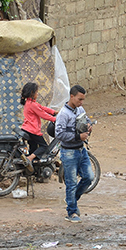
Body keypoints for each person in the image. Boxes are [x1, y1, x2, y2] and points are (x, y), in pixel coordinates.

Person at [55, 85, 94, 223]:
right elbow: (59, 134)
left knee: (89, 177)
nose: (81, 102)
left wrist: (89, 127)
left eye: (83, 100)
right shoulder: (63, 114)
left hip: (81, 150)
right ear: (71, 96)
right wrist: (78, 137)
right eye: (79, 99)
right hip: (69, 152)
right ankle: (71, 212)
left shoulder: (80, 109)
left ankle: (72, 200)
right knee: (71, 183)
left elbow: (87, 121)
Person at [20, 82, 56, 172]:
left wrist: (54, 112)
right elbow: (42, 114)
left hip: (27, 129)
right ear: (32, 93)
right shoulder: (32, 105)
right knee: (44, 146)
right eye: (36, 92)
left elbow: (43, 108)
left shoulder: (30, 103)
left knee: (33, 148)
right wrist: (55, 119)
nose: (38, 94)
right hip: (32, 130)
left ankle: (32, 170)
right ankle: (29, 159)